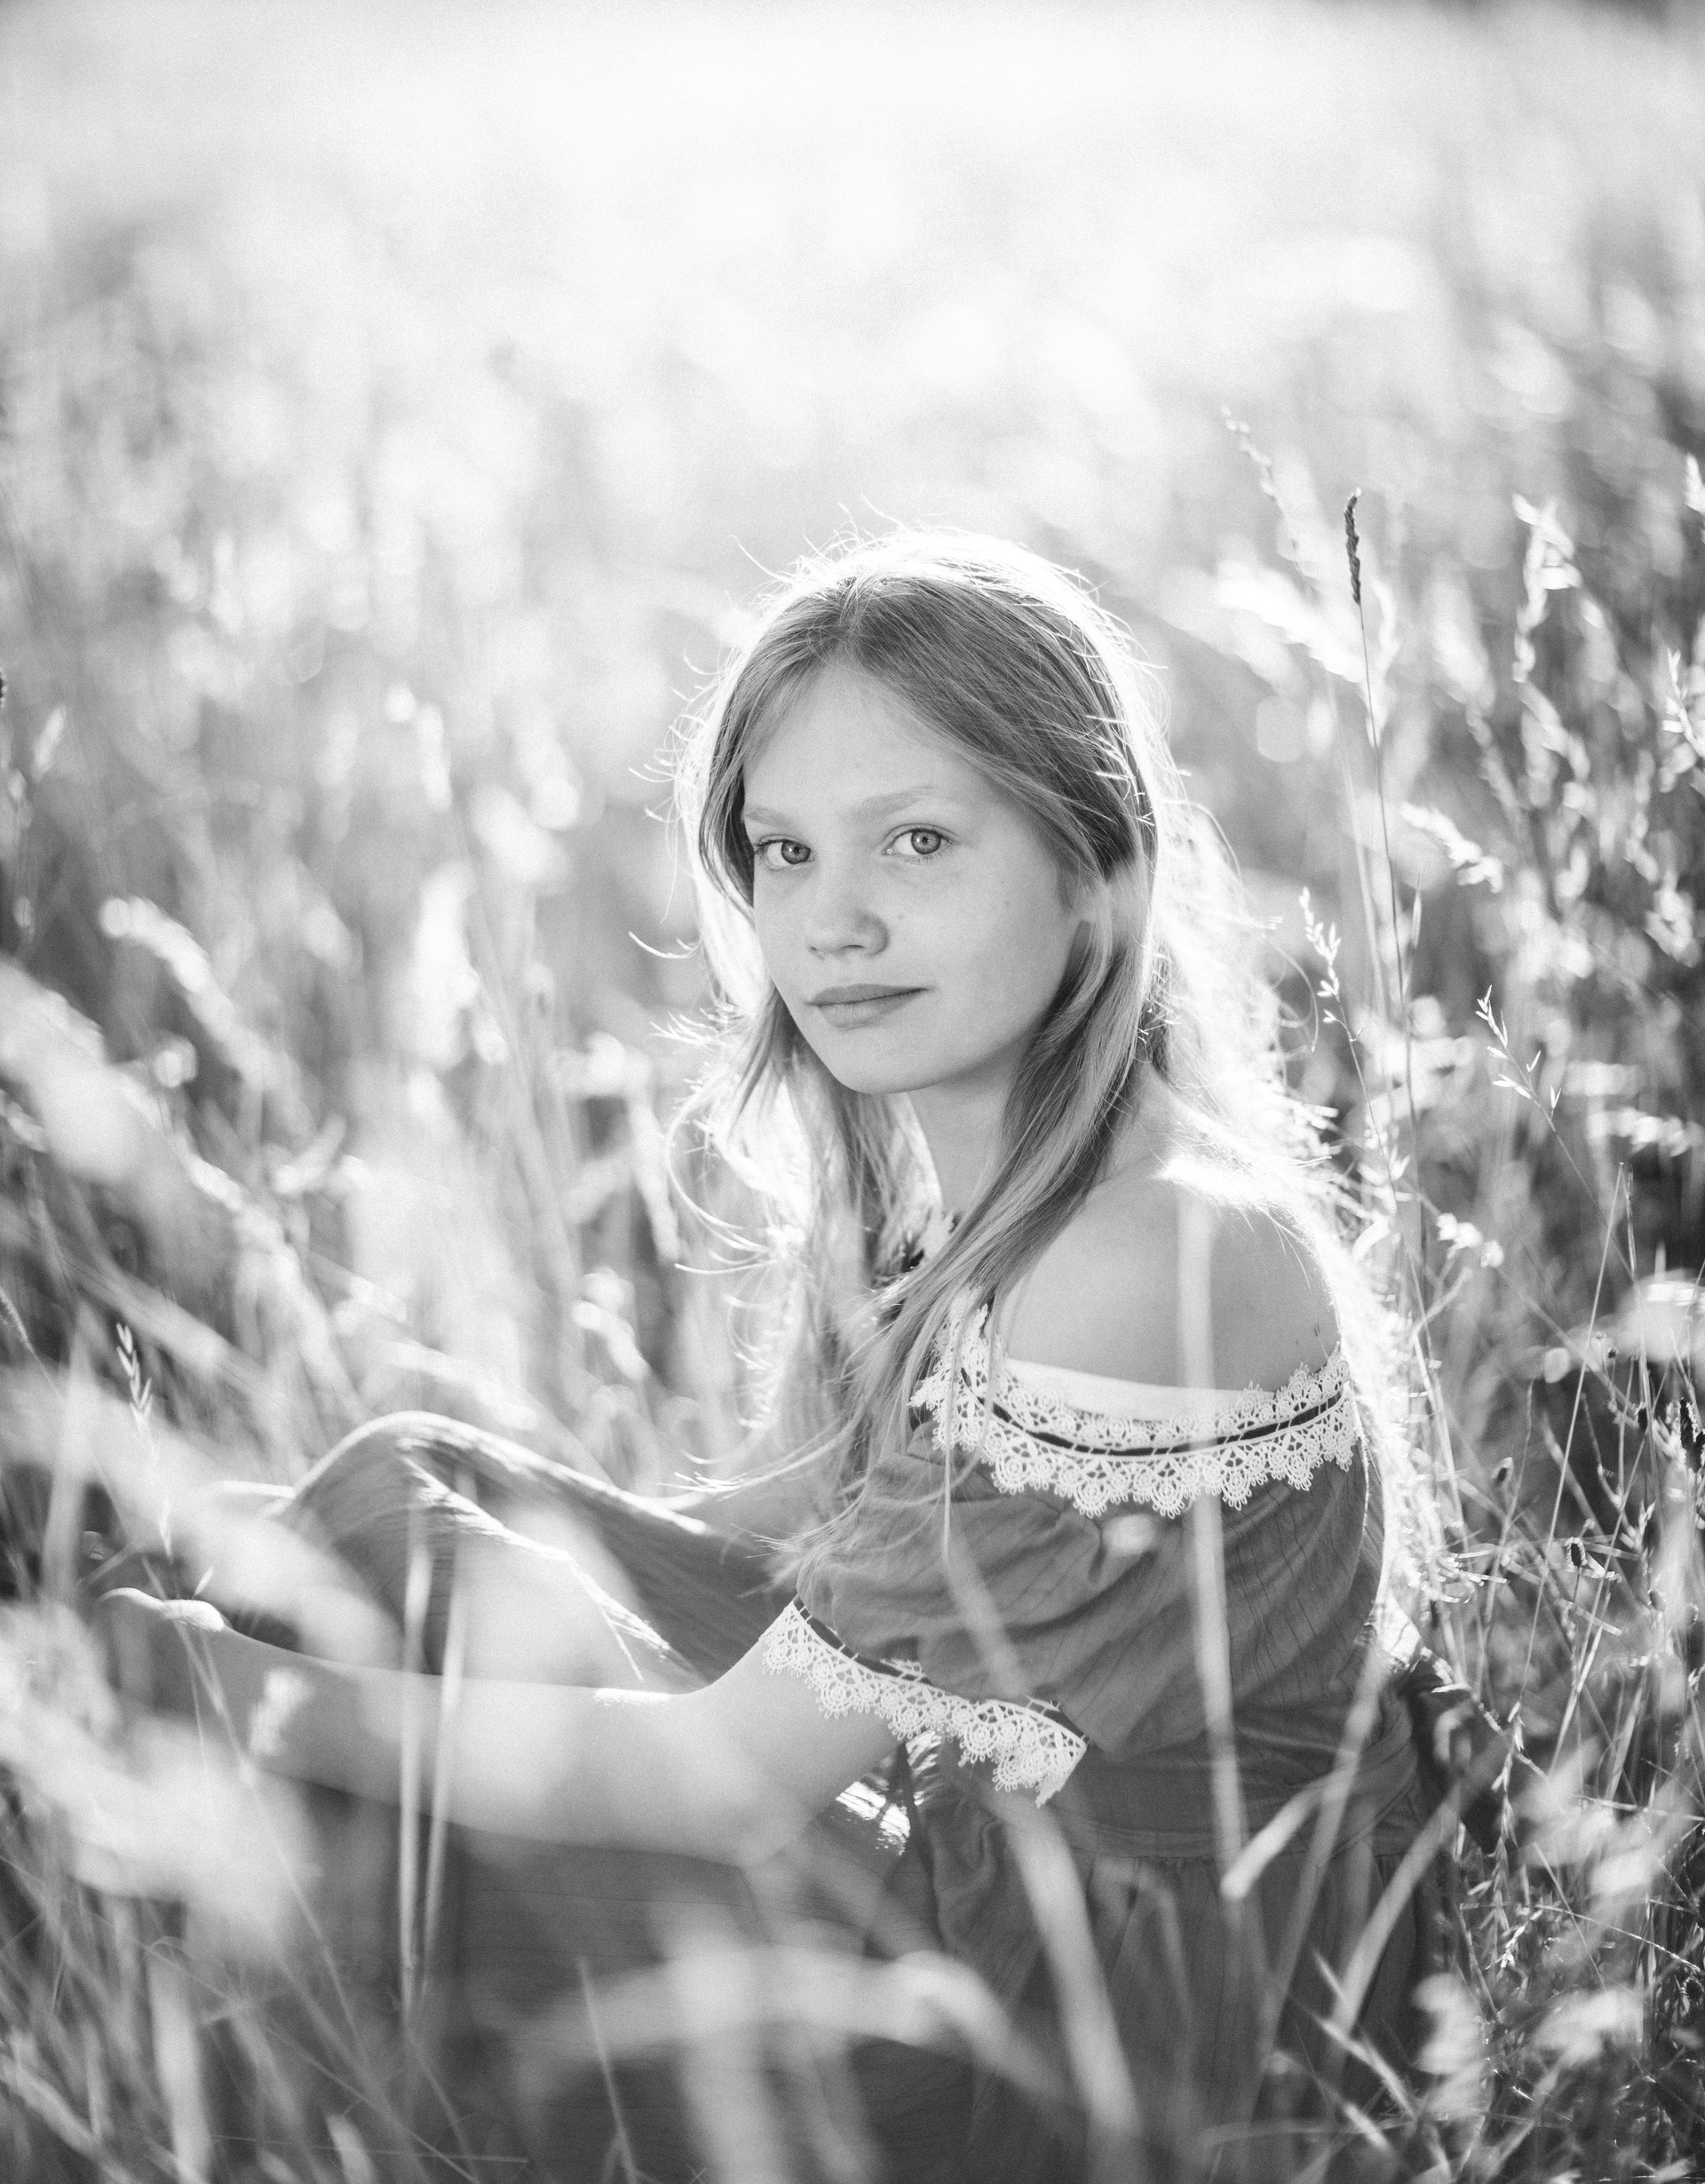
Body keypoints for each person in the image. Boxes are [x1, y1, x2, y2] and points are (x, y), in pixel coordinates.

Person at [104, 535, 1431, 2183]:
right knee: (405, 1503)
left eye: (919, 842)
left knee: (333, 1713)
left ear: (1100, 865)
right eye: (787, 851)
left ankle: (188, 2046)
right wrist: (320, 1566)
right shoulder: (1013, 1179)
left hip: (1099, 2035)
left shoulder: (1143, 1251)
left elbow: (725, 1782)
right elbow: (818, 1524)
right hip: (990, 1865)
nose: (835, 923)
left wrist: (239, 1693)